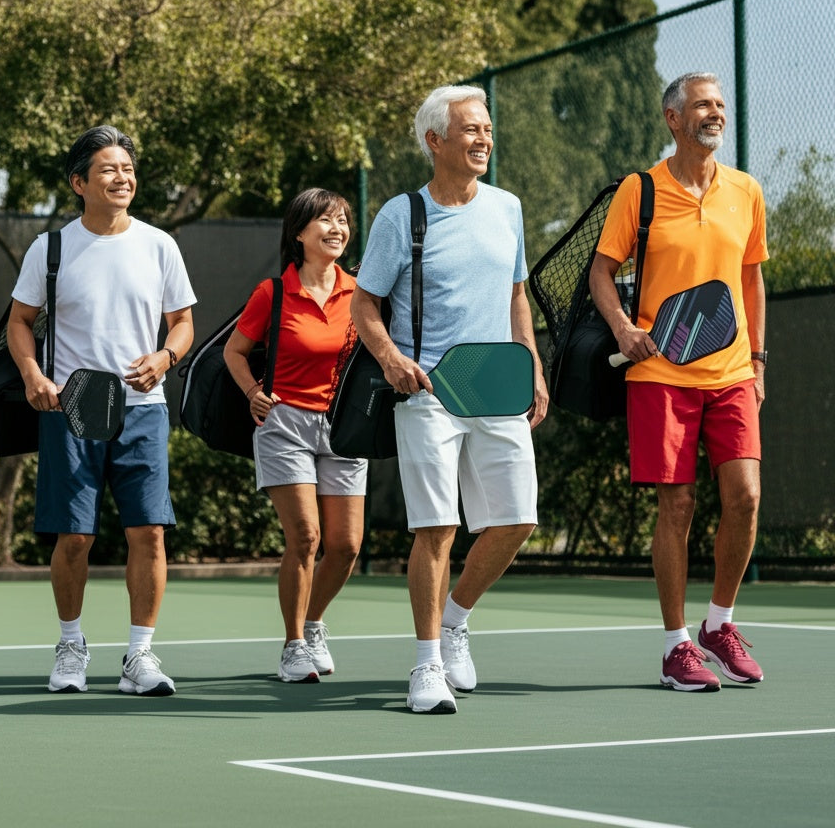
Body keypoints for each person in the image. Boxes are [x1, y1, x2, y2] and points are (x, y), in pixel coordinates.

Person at [350, 85, 549, 714]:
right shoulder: (400, 215)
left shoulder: (508, 208)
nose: (484, 139)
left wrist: (533, 367)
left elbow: (519, 294)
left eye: (488, 128)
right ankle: (426, 663)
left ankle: (457, 617)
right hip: (429, 391)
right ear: (435, 140)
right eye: (470, 129)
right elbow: (364, 303)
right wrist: (391, 359)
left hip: (497, 384)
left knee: (517, 521)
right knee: (436, 528)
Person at [589, 72, 768, 693]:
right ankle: (676, 647)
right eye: (702, 105)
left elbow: (751, 280)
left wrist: (760, 360)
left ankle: (720, 624)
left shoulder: (746, 191)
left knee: (744, 496)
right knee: (679, 504)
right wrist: (621, 329)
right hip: (660, 374)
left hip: (734, 372)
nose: (714, 113)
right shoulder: (640, 192)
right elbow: (601, 273)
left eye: (720, 104)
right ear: (673, 119)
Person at [7, 124, 196, 696]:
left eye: (128, 169)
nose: (123, 177)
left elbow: (183, 323)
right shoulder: (52, 247)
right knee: (75, 538)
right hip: (70, 412)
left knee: (150, 535)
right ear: (79, 183)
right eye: (109, 169)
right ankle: (71, 644)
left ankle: (139, 657)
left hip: (143, 409)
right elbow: (19, 322)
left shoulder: (160, 244)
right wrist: (34, 376)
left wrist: (165, 357)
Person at [224, 189, 368, 684]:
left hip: (344, 428)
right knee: (306, 537)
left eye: (343, 220)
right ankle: (292, 645)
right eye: (325, 220)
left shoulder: (363, 293)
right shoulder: (274, 293)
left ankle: (313, 621)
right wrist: (252, 392)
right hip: (284, 425)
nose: (337, 228)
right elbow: (234, 351)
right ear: (300, 232)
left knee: (347, 546)